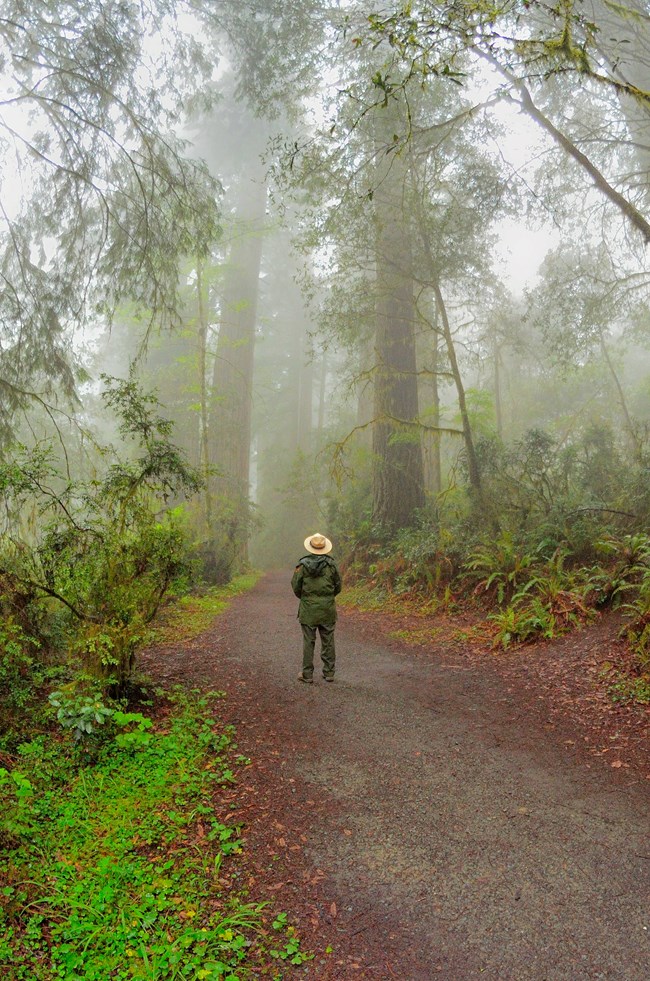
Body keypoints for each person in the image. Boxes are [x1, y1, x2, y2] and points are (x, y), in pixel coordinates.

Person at [291, 532, 342, 684]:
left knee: (309, 641)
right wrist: (327, 597)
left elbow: (296, 586)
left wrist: (306, 598)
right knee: (328, 641)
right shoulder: (332, 565)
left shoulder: (302, 565)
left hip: (308, 609)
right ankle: (329, 672)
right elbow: (338, 586)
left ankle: (307, 674)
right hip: (327, 608)